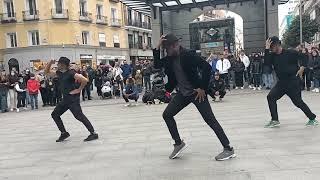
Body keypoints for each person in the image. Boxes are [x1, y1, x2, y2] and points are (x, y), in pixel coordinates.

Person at [154, 34, 235, 160]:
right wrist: (157, 47)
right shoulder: (170, 58)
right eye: (165, 50)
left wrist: (202, 87)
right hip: (183, 94)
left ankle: (228, 148)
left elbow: (207, 67)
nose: (167, 52)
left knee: (210, 120)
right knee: (167, 115)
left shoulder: (188, 55)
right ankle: (178, 143)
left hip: (197, 93)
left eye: (168, 49)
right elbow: (157, 65)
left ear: (175, 45)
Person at [264, 37, 318, 128]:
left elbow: (304, 56)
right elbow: (266, 63)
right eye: (270, 47)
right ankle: (275, 120)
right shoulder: (272, 56)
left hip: (293, 82)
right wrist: (266, 49)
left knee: (298, 102)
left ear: (278, 45)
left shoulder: (290, 52)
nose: (271, 48)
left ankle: (312, 118)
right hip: (281, 83)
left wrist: (302, 67)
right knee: (271, 97)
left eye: (272, 46)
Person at [45, 57, 98, 142]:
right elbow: (46, 72)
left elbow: (84, 80)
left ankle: (93, 133)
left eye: (58, 63)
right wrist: (50, 62)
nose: (57, 65)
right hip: (65, 99)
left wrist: (79, 89)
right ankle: (64, 133)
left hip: (73, 99)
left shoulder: (71, 73)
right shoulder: (59, 73)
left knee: (79, 116)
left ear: (63, 65)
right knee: (55, 114)